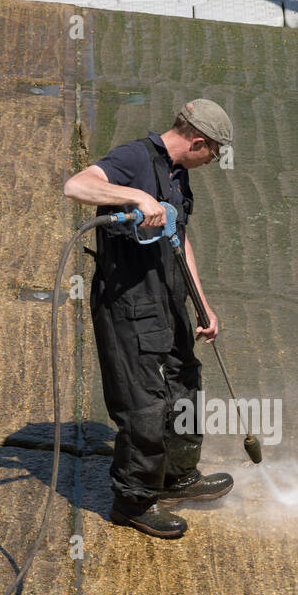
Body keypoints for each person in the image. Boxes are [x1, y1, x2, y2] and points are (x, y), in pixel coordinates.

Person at [63, 99, 235, 539]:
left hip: (168, 298)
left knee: (185, 384)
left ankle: (178, 476)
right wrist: (135, 194)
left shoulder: (180, 176)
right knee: (144, 406)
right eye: (213, 153)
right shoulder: (134, 158)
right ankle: (134, 501)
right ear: (198, 142)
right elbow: (77, 186)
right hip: (127, 305)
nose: (212, 162)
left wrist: (202, 303)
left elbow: (179, 237)